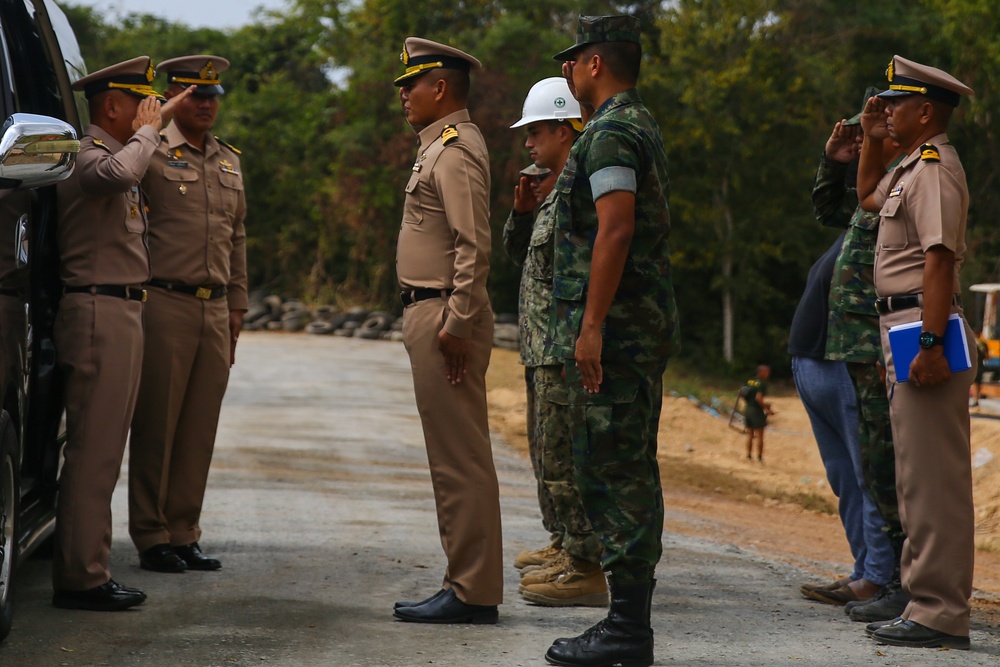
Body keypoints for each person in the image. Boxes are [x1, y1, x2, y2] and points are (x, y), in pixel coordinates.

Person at [544, 15, 679, 667]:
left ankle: (628, 631)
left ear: (596, 63)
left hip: (620, 328)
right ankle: (627, 621)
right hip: (634, 322)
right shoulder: (633, 122)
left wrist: (592, 323)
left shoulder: (612, 132)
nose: (566, 72)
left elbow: (616, 229)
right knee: (625, 463)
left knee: (616, 466)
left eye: (572, 61)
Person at [51, 56, 190, 611]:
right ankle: (82, 577)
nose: (148, 111)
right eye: (140, 102)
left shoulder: (123, 151)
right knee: (94, 450)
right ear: (112, 105)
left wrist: (161, 122)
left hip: (123, 308)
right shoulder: (88, 157)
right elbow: (121, 175)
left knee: (107, 450)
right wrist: (152, 131)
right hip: (96, 309)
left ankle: (90, 566)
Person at [856, 55, 976, 650]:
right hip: (902, 328)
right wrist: (873, 139)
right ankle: (925, 602)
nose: (885, 109)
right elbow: (866, 197)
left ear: (925, 110)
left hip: (923, 328)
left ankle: (941, 612)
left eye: (895, 103)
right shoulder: (908, 167)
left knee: (936, 483)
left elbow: (939, 259)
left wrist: (930, 342)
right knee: (915, 478)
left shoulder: (934, 168)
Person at [390, 37, 502, 625]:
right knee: (453, 457)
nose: (403, 94)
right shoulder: (435, 146)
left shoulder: (454, 150)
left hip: (444, 316)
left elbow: (472, 244)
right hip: (433, 311)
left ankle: (473, 591)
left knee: (459, 459)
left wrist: (457, 322)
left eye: (411, 84)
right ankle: (466, 581)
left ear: (441, 87)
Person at [128, 55, 248, 574]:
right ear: (172, 98)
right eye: (193, 94)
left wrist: (239, 305)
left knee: (199, 427)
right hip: (165, 302)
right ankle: (151, 535)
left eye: (211, 95)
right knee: (158, 423)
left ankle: (184, 531)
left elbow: (237, 237)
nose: (204, 104)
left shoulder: (228, 160)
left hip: (216, 308)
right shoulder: (151, 153)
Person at [503, 78, 606, 607]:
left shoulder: (584, 191)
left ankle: (585, 566)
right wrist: (521, 213)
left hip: (563, 348)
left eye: (537, 131)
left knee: (566, 459)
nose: (528, 143)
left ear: (567, 131)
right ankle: (563, 543)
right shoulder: (549, 190)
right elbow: (519, 261)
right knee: (546, 455)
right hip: (540, 347)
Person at [811, 99, 910, 622]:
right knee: (867, 471)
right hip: (847, 352)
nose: (873, 131)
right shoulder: (877, 187)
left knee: (887, 470)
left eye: (881, 125)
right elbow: (828, 210)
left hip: (876, 349)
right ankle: (885, 577)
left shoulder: (910, 182)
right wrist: (836, 161)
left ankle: (896, 581)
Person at [788, 230, 892, 609]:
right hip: (813, 358)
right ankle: (863, 568)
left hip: (844, 361)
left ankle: (878, 577)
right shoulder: (858, 213)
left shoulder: (892, 211)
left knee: (868, 474)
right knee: (843, 477)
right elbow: (827, 194)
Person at [741, 365, 772, 462]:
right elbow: (758, 398)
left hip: (748, 409)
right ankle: (759, 457)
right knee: (760, 435)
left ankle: (749, 456)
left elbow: (743, 394)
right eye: (766, 371)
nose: (768, 373)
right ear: (760, 372)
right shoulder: (762, 383)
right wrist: (767, 409)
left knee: (750, 434)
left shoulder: (749, 381)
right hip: (756, 411)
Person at [972, 329, 987, 406]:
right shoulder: (983, 343)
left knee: (974, 383)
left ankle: (975, 399)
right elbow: (987, 356)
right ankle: (976, 398)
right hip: (980, 365)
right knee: (978, 382)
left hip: (973, 365)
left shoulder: (971, 342)